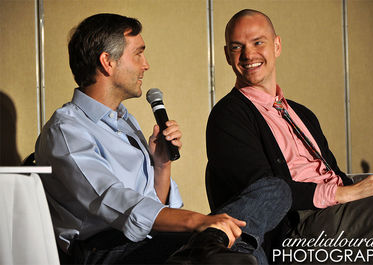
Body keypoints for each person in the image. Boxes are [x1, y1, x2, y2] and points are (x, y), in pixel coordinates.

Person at [35, 13, 290, 265]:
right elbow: (114, 201)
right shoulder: (67, 130)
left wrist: (162, 165)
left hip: (150, 241)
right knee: (242, 252)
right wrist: (199, 221)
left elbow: (151, 206)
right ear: (107, 62)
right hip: (105, 251)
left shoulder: (124, 121)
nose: (145, 64)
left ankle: (207, 244)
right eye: (138, 53)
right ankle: (208, 243)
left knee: (276, 190)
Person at [206, 9, 373, 264]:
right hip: (296, 232)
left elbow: (331, 175)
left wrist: (365, 193)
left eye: (258, 42)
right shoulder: (228, 116)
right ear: (227, 56)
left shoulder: (302, 114)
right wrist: (345, 194)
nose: (248, 54)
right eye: (236, 47)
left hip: (338, 214)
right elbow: (264, 193)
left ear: (277, 45)